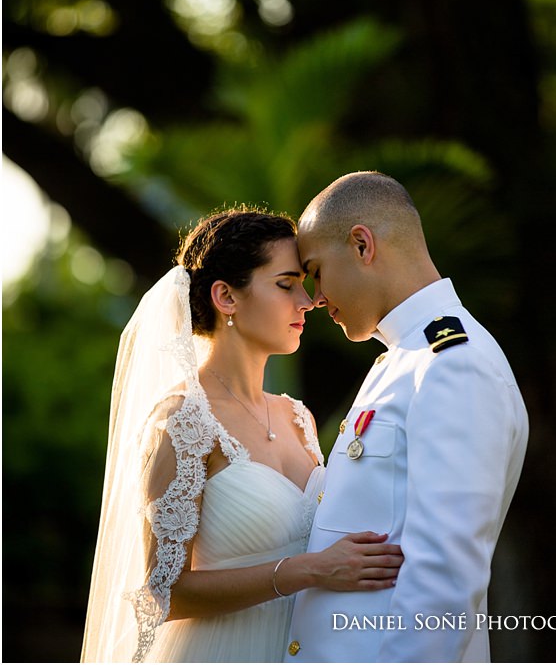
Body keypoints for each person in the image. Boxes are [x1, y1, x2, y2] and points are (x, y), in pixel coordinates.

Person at [81, 208, 402, 664]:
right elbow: (163, 592)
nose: (307, 302)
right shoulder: (183, 421)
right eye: (286, 284)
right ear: (226, 297)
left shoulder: (298, 417)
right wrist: (308, 570)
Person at [286, 172, 529, 663]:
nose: (314, 297)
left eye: (315, 271)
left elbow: (445, 576)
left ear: (361, 245)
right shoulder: (405, 358)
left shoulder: (452, 363)